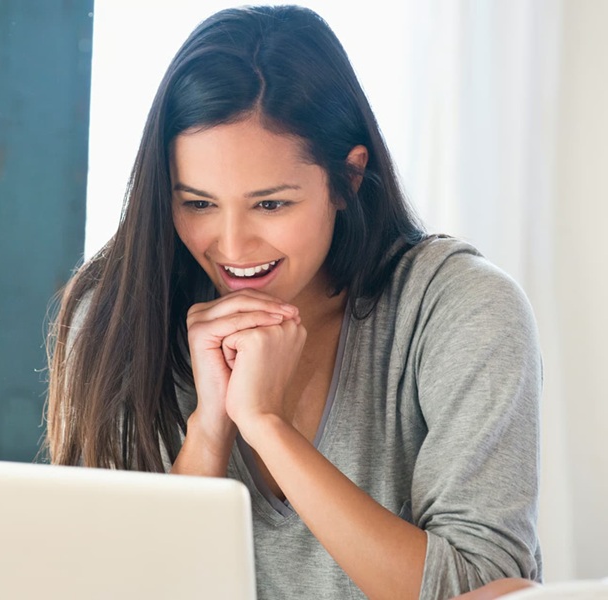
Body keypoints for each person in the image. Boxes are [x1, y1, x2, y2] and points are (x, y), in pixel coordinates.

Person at [45, 5, 542, 599]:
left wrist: (268, 427)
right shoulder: (116, 318)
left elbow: (485, 589)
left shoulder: (462, 309)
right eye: (198, 204)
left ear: (348, 178)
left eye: (271, 204)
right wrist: (210, 431)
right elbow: (116, 588)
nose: (232, 246)